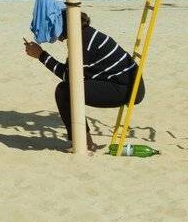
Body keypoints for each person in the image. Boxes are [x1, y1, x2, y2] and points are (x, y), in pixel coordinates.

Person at [24, 11, 144, 152]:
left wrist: (41, 55)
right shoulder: (85, 35)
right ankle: (86, 142)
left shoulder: (83, 42)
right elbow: (72, 73)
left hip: (127, 89)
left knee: (65, 91)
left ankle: (85, 143)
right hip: (122, 82)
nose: (56, 36)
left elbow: (70, 77)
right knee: (67, 89)